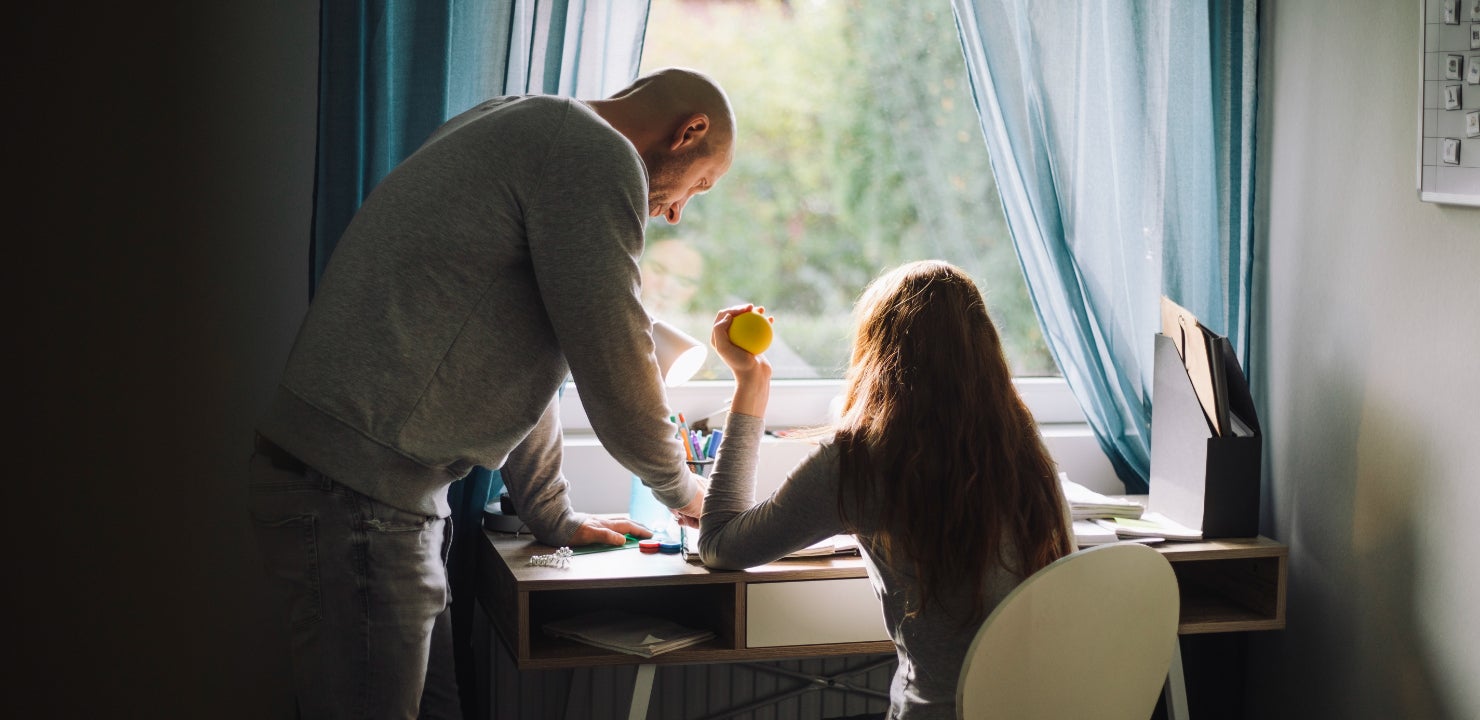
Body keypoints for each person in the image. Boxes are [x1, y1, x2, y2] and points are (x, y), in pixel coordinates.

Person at [249, 67, 735, 719]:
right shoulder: (592, 154)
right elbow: (614, 356)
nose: (676, 211)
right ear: (689, 131)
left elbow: (524, 361)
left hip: (369, 489)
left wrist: (551, 514)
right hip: (358, 491)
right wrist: (688, 494)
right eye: (698, 186)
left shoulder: (522, 120)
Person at [700, 260, 1074, 720]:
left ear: (876, 352)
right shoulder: (1020, 442)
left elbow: (719, 544)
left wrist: (750, 385)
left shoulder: (861, 460)